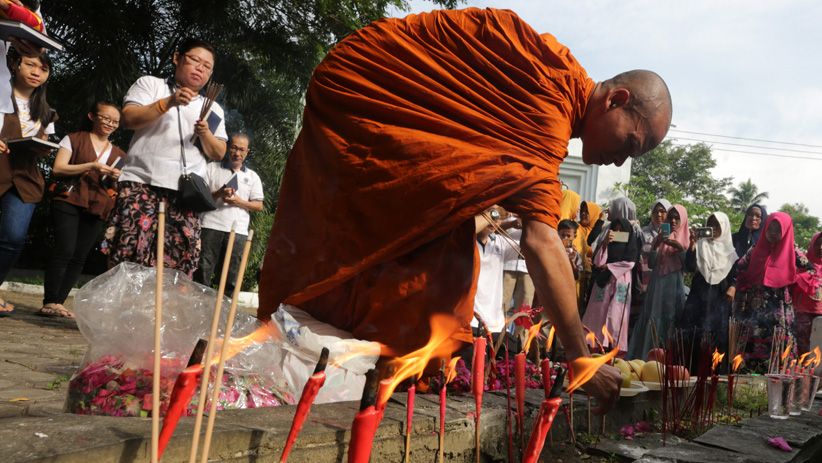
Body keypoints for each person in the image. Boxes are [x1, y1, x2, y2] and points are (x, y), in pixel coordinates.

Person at [257, 8, 672, 409]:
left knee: (443, 267)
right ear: (615, 99)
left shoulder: (554, 81)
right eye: (630, 145)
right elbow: (541, 241)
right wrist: (581, 360)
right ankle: (329, 371)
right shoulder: (548, 104)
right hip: (364, 91)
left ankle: (364, 382)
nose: (620, 161)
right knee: (389, 261)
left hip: (366, 83)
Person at [109, 38, 227, 277]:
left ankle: (161, 314)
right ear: (177, 58)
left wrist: (205, 134)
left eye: (207, 66)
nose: (200, 69)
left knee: (178, 263)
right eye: (195, 60)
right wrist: (168, 102)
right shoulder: (152, 85)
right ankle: (120, 312)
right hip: (141, 182)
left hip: (186, 194)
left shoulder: (212, 108)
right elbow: (129, 118)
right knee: (129, 253)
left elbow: (219, 152)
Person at [39, 102, 125, 318]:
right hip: (69, 199)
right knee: (65, 249)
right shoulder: (74, 139)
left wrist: (116, 178)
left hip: (98, 205)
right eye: (106, 118)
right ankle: (49, 300)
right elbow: (58, 168)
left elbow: (117, 188)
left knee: (79, 255)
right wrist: (91, 166)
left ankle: (59, 301)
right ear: (92, 116)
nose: (110, 124)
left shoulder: (120, 154)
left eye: (115, 121)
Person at [0, 51, 57, 313]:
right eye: (31, 65)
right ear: (15, 64)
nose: (36, 72)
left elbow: (48, 144)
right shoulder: (1, 93)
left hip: (25, 177)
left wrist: (43, 145)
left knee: (13, 236)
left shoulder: (47, 111)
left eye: (43, 69)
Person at [730, 212, 806, 371]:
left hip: (779, 307)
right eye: (769, 228)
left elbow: (811, 272)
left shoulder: (792, 250)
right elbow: (739, 267)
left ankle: (778, 383)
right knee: (754, 341)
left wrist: (792, 278)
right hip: (756, 305)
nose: (772, 233)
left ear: (785, 231)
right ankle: (751, 384)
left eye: (777, 229)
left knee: (779, 345)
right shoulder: (756, 247)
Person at [195, 133, 264, 294]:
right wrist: (219, 193)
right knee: (203, 271)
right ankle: (199, 308)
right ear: (227, 147)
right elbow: (201, 197)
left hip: (238, 230)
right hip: (210, 225)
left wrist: (238, 201)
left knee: (231, 277)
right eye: (233, 147)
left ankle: (225, 314)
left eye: (241, 149)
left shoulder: (252, 176)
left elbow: (259, 205)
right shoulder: (212, 168)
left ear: (247, 151)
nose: (237, 153)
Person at [628, 204, 689, 359]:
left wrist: (679, 247)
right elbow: (652, 263)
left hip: (673, 285)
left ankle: (668, 360)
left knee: (671, 319)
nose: (673, 221)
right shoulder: (660, 237)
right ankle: (647, 357)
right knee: (653, 318)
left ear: (683, 220)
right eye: (671, 217)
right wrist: (656, 245)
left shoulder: (687, 238)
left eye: (677, 218)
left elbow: (688, 266)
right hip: (656, 285)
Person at [681, 212, 738, 357]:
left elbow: (736, 275)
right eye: (710, 224)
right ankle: (692, 370)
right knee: (694, 332)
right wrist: (693, 245)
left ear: (724, 227)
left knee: (717, 334)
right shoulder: (701, 245)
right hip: (699, 295)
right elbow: (690, 267)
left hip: (720, 296)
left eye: (717, 225)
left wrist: (733, 286)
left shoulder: (730, 251)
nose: (713, 228)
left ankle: (714, 372)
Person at [582, 217, 640, 353]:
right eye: (616, 229)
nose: (618, 232)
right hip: (604, 281)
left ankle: (614, 348)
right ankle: (595, 344)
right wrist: (605, 244)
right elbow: (598, 262)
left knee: (617, 314)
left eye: (622, 230)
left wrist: (609, 267)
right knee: (598, 312)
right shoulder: (606, 242)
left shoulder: (631, 246)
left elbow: (630, 263)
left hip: (621, 280)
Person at [472, 207, 519, 338]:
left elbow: (529, 243)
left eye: (499, 219)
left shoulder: (500, 242)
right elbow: (471, 227)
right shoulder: (464, 240)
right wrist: (492, 214)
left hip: (495, 325)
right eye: (490, 215)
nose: (495, 221)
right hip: (470, 322)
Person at [793, 232, 821, 353]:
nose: (820, 248)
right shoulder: (802, 264)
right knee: (802, 347)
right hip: (802, 314)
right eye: (817, 244)